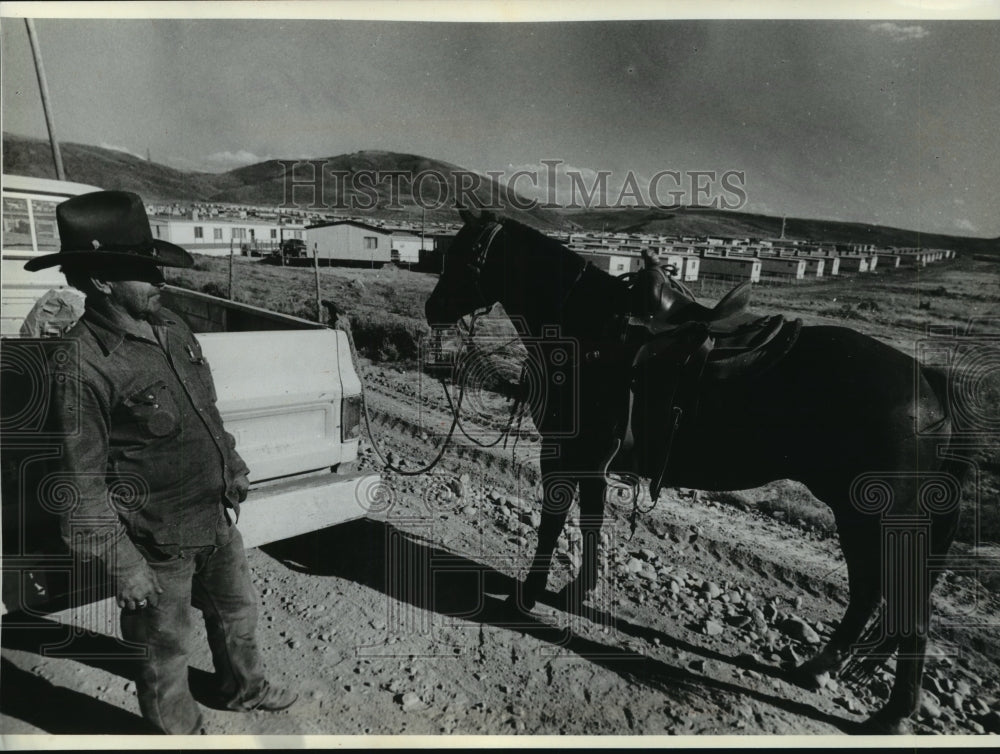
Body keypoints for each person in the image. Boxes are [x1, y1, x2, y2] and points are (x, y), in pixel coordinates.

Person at [25, 191, 297, 734]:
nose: (160, 280)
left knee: (238, 615)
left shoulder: (170, 324)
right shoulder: (82, 365)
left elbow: (205, 408)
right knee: (163, 649)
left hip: (214, 518)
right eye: (145, 272)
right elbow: (81, 486)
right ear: (102, 281)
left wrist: (233, 465)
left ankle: (244, 688)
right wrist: (124, 565)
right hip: (156, 541)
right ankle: (178, 731)